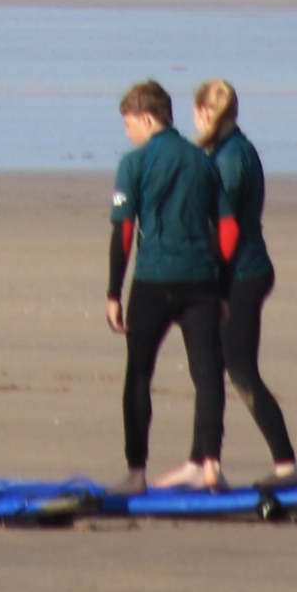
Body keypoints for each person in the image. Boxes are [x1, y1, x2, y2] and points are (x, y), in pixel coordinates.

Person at [105, 76, 225, 490]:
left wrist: (113, 292)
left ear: (146, 118)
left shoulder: (133, 163)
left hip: (153, 280)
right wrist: (223, 287)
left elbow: (124, 232)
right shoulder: (203, 161)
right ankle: (210, 464)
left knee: (139, 373)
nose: (127, 133)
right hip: (201, 281)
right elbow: (226, 229)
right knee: (207, 375)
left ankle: (136, 471)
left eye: (128, 124)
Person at [195, 75, 297, 484]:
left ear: (206, 112)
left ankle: (286, 465)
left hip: (242, 273)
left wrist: (211, 279)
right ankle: (205, 464)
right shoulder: (226, 151)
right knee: (211, 370)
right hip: (237, 270)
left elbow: (226, 228)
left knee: (240, 371)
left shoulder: (232, 157)